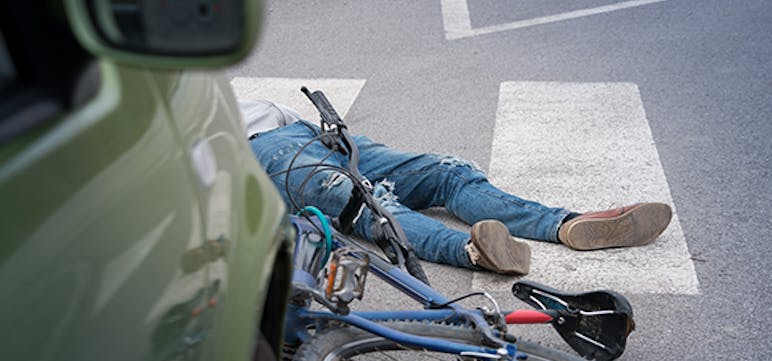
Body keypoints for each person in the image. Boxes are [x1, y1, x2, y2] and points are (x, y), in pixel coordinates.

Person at [240, 99, 672, 276]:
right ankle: (474, 251)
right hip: (263, 153)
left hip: (315, 133)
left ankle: (566, 224)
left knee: (445, 171)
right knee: (370, 203)